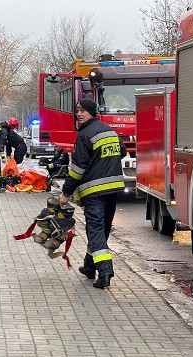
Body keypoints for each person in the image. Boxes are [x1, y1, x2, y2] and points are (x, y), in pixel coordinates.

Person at [58, 98, 126, 288]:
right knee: (101, 231)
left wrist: (65, 193)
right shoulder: (110, 131)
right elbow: (122, 152)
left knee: (95, 231)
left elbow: (77, 169)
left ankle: (105, 272)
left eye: (83, 111)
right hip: (112, 190)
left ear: (92, 113)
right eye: (77, 111)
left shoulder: (84, 135)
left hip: (94, 193)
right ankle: (89, 267)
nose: (79, 114)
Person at [0, 117, 25, 192]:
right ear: (11, 126)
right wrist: (3, 157)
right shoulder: (4, 131)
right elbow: (1, 144)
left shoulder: (0, 127)